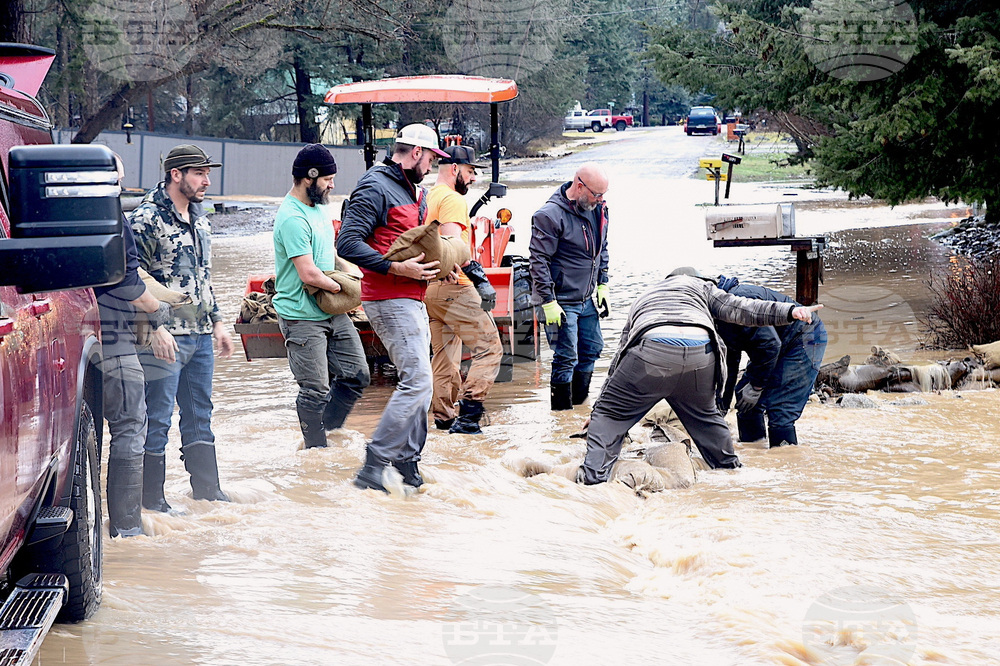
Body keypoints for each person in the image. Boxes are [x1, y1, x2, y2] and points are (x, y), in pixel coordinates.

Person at [579, 267, 822, 485]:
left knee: (608, 417)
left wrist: (600, 409)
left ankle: (592, 480)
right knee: (708, 421)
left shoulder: (645, 296)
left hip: (652, 352)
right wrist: (791, 311)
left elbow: (621, 354)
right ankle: (732, 474)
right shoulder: (704, 289)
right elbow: (743, 312)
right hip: (700, 354)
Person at [336, 124, 450, 492]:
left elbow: (409, 242)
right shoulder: (375, 186)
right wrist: (396, 269)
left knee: (422, 384)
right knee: (418, 381)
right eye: (431, 159)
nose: (432, 166)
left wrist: (440, 265)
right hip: (389, 297)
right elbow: (347, 243)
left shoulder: (412, 190)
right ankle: (374, 465)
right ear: (416, 153)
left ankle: (407, 464)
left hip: (411, 297)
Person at [130, 144, 234, 512]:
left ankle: (208, 493)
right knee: (156, 419)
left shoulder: (200, 218)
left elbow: (204, 277)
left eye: (207, 174)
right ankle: (152, 502)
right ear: (176, 175)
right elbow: (132, 281)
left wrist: (218, 322)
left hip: (201, 336)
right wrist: (156, 328)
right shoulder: (145, 219)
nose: (207, 181)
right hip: (163, 338)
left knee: (200, 415)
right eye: (199, 173)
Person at [95, 154, 178, 536]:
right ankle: (127, 531)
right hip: (112, 337)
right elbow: (129, 283)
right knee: (130, 425)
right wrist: (158, 311)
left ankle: (102, 523)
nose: (121, 187)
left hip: (73, 335)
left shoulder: (59, 215)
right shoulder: (111, 215)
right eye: (118, 180)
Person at [272, 145, 371, 449]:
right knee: (314, 390)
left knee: (357, 375)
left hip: (330, 312)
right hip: (301, 316)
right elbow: (309, 274)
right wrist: (347, 290)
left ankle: (328, 432)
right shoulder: (292, 218)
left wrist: (352, 274)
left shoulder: (319, 208)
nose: (332, 185)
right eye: (327, 179)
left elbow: (329, 256)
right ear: (309, 177)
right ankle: (315, 452)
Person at [425, 145, 502, 435]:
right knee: (490, 348)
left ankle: (444, 420)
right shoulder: (452, 199)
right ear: (455, 168)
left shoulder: (428, 196)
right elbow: (452, 246)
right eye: (470, 171)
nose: (473, 178)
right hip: (454, 287)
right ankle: (469, 419)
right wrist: (479, 278)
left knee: (444, 359)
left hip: (430, 290)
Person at [529, 162, 610, 411]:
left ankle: (578, 409)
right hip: (560, 300)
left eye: (603, 194)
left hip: (586, 298)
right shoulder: (549, 215)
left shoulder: (598, 209)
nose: (600, 199)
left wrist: (603, 283)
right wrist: (548, 301)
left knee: (592, 348)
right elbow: (538, 261)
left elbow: (602, 248)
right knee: (566, 357)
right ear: (579, 186)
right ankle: (561, 415)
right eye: (596, 194)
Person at [715, 275, 828, 448]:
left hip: (804, 337)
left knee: (781, 410)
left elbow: (770, 345)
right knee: (745, 400)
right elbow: (730, 361)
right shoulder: (716, 314)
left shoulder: (736, 303)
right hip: (773, 346)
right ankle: (754, 453)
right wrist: (720, 409)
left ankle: (784, 461)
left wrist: (756, 386)